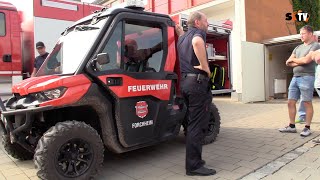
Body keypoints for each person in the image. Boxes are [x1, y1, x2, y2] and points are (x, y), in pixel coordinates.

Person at [176, 11, 216, 176]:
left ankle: (194, 162)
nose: (208, 24)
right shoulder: (198, 35)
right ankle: (194, 166)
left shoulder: (182, 37)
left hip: (185, 83)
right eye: (206, 21)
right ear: (198, 22)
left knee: (192, 123)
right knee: (196, 126)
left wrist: (178, 30)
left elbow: (184, 36)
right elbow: (197, 41)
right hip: (197, 84)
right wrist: (205, 66)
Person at [280, 25, 320, 137]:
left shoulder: (316, 45)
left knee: (307, 102)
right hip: (295, 77)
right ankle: (292, 126)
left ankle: (307, 128)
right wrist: (299, 61)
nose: (301, 36)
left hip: (307, 77)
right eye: (300, 33)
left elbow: (307, 60)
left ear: (310, 34)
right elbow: (288, 62)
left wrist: (296, 61)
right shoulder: (297, 48)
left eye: (303, 33)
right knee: (290, 102)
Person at [295, 35, 319, 124]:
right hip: (313, 77)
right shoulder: (313, 49)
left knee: (305, 98)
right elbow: (305, 60)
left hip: (313, 77)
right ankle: (302, 116)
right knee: (304, 97)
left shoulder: (316, 47)